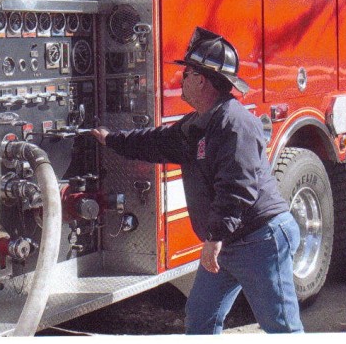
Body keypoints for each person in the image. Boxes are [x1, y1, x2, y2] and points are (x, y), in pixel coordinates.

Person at [91, 27, 304, 334]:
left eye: (187, 73)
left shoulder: (235, 125)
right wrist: (113, 140)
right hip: (228, 241)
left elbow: (237, 188)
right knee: (201, 317)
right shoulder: (198, 124)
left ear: (203, 80)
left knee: (281, 326)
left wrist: (214, 239)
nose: (182, 80)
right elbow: (157, 142)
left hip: (260, 240)